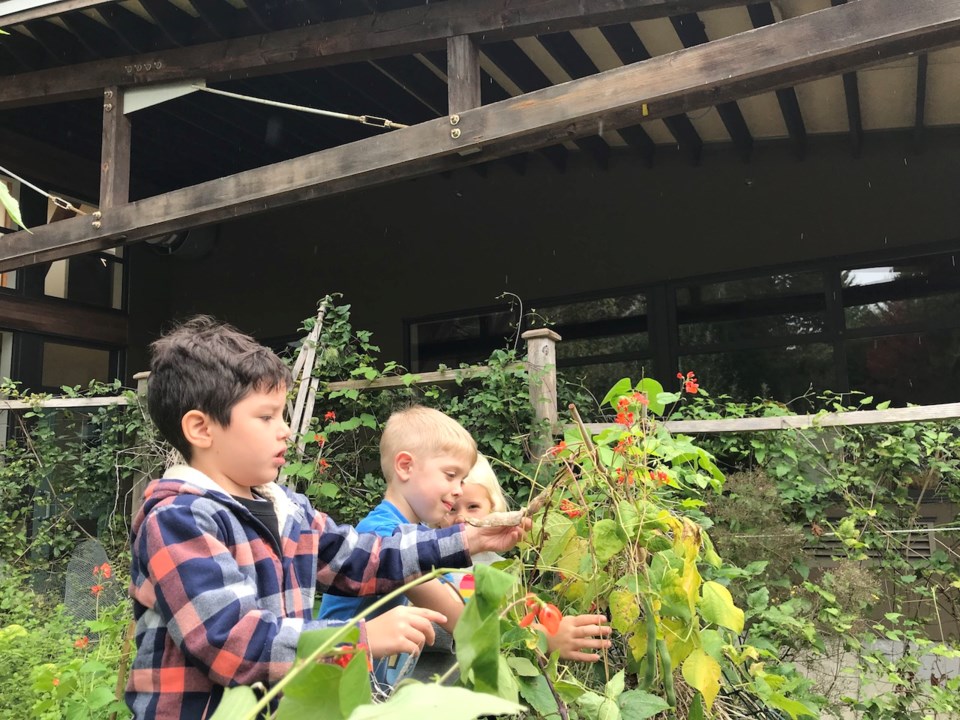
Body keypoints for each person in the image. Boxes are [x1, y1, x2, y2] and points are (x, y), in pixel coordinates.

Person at [126, 317, 526, 719]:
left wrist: (468, 540)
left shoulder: (288, 508)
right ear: (201, 428)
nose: (285, 431)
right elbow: (229, 640)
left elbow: (365, 558)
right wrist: (358, 638)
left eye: (283, 415)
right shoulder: (179, 518)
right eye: (266, 417)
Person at [318, 405, 475, 691]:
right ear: (405, 466)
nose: (459, 489)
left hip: (365, 687)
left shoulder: (422, 537)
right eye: (450, 475)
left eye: (462, 480)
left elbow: (458, 596)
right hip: (331, 683)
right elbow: (461, 620)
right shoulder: (383, 537)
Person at [441, 455, 613, 663]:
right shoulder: (430, 566)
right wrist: (543, 637)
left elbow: (513, 626)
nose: (461, 517)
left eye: (473, 507)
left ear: (494, 510)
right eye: (451, 508)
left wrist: (540, 639)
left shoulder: (502, 569)